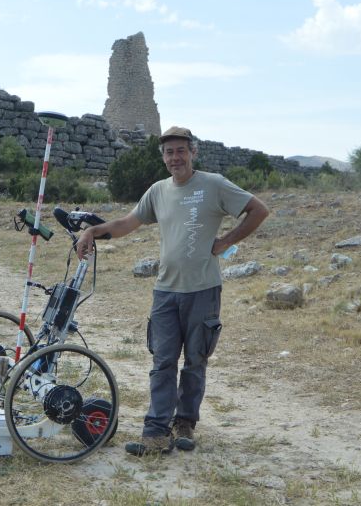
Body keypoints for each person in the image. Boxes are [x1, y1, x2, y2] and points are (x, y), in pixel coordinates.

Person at [76, 126, 269, 456]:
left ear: (193, 152)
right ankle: (155, 432)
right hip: (165, 291)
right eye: (169, 152)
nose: (175, 157)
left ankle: (185, 424)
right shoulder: (158, 191)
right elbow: (127, 223)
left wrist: (226, 242)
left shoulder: (213, 184)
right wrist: (93, 230)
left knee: (195, 362)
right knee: (162, 362)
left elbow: (258, 210)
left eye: (181, 151)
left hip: (203, 290)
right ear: (163, 157)